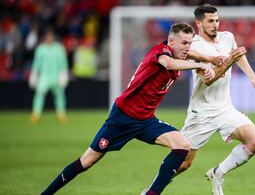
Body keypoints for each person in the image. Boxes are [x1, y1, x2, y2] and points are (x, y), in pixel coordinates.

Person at [41, 23, 217, 195]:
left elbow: (190, 55)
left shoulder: (180, 54)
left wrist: (209, 59)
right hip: (123, 117)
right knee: (87, 161)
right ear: (171, 42)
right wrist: (200, 65)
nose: (188, 48)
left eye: (190, 42)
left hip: (146, 120)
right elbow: (168, 63)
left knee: (182, 146)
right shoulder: (161, 52)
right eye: (184, 43)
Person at [177, 5, 255, 195]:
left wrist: (253, 78)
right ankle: (151, 190)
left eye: (217, 20)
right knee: (184, 163)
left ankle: (218, 173)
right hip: (202, 113)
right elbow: (208, 80)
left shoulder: (227, 37)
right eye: (210, 21)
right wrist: (230, 60)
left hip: (225, 108)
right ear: (198, 23)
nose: (215, 24)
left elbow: (238, 56)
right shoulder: (195, 47)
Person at [29, 28, 69, 123]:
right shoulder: (40, 49)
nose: (49, 39)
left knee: (60, 95)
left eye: (51, 37)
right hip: (44, 77)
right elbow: (36, 63)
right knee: (39, 94)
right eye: (48, 37)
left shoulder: (59, 48)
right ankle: (36, 114)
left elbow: (63, 63)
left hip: (56, 76)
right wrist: (34, 74)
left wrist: (64, 74)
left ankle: (61, 114)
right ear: (45, 38)